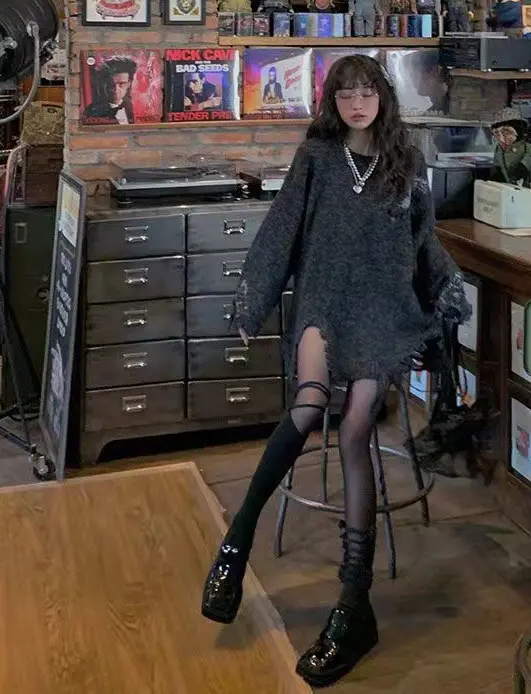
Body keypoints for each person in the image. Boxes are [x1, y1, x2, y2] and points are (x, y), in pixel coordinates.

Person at [201, 55, 470, 688]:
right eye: (345, 94)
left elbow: (425, 243)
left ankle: (354, 603)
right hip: (322, 302)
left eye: (366, 91)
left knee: (354, 430)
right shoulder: (317, 157)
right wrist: (251, 301)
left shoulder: (408, 164)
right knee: (307, 406)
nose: (356, 103)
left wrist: (448, 291)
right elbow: (280, 231)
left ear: (383, 97)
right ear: (331, 102)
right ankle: (234, 546)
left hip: (384, 311)